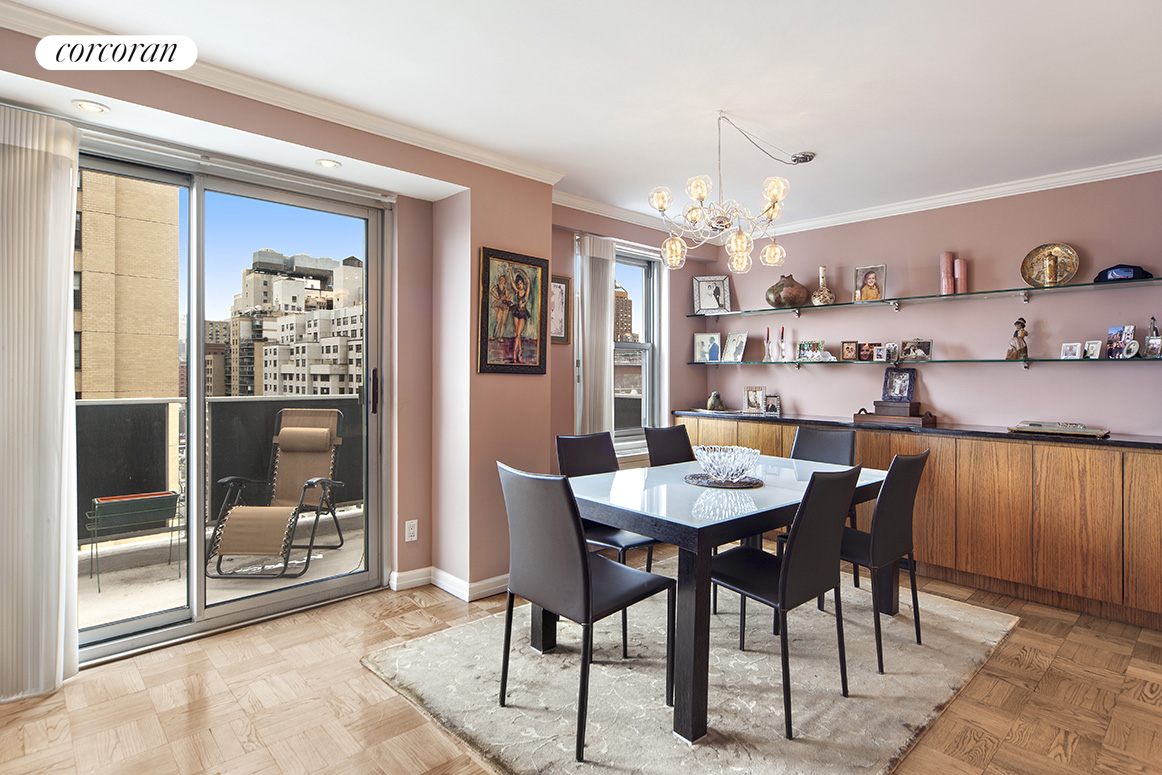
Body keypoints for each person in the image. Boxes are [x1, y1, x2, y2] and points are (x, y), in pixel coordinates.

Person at [509, 268, 532, 363]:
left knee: (518, 334)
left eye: (520, 283)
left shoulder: (526, 293)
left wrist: (520, 271)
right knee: (517, 335)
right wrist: (510, 272)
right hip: (516, 312)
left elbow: (528, 281)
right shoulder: (517, 291)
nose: (519, 285)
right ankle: (520, 352)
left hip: (522, 314)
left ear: (523, 284)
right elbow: (511, 282)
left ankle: (515, 354)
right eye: (518, 284)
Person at [489, 273, 512, 341]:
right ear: (499, 280)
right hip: (499, 303)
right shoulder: (496, 286)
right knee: (498, 321)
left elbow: (510, 293)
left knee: (503, 322)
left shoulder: (505, 288)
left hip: (505, 304)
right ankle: (494, 335)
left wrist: (507, 297)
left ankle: (500, 337)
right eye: (501, 279)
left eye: (503, 280)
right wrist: (496, 297)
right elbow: (491, 291)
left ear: (505, 281)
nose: (502, 281)